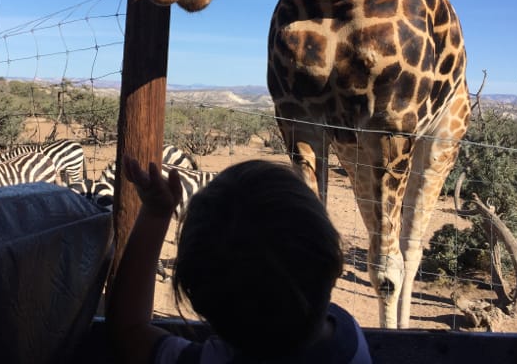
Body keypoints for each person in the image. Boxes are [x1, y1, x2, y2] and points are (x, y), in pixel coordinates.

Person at [106, 156, 372, 364]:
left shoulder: (207, 360)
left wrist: (155, 214)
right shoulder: (350, 337)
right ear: (332, 260)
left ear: (195, 296)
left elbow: (129, 330)